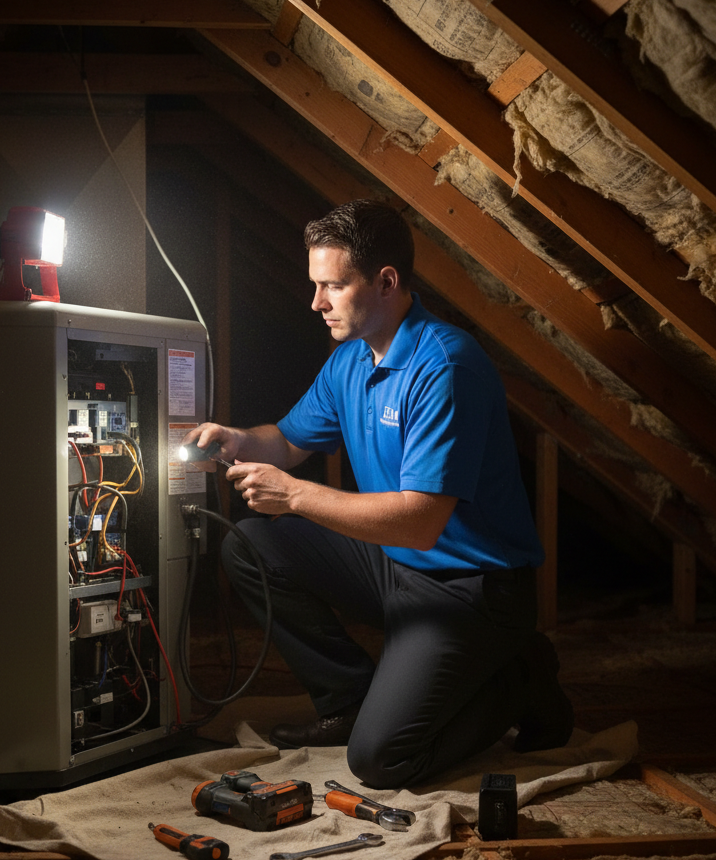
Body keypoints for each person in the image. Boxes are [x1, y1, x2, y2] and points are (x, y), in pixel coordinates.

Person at [186, 199, 573, 789]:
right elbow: (286, 443)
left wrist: (293, 495)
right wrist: (237, 438)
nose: (316, 302)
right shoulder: (349, 360)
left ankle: (520, 676)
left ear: (386, 281)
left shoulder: (445, 367)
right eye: (315, 286)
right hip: (397, 568)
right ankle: (348, 701)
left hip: (472, 587)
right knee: (250, 545)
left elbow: (420, 522)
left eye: (332, 286)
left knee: (382, 760)